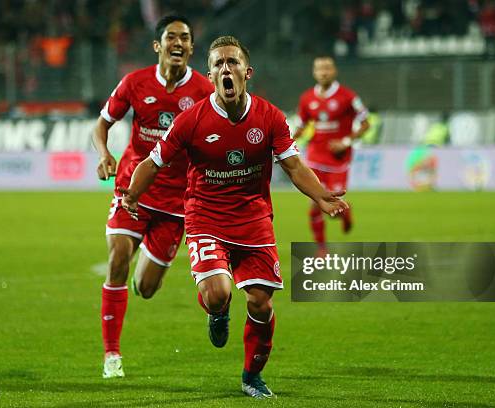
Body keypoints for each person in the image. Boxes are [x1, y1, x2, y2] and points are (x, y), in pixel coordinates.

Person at [118, 36, 348, 399]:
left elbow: (293, 165)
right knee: (218, 294)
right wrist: (131, 195)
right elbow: (153, 162)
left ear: (247, 71)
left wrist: (321, 197)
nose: (226, 69)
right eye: (219, 64)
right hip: (205, 217)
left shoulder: (270, 117)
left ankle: (251, 376)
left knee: (261, 301)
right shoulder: (190, 119)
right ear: (210, 75)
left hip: (253, 218)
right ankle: (217, 311)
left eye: (233, 63)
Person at [91, 14, 214, 379]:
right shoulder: (135, 82)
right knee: (117, 258)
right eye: (171, 37)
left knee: (146, 288)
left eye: (185, 38)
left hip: (175, 202)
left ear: (192, 48)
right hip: (132, 187)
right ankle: (112, 355)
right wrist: (104, 154)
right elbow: (102, 124)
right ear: (158, 46)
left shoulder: (205, 92)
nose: (179, 42)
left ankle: (146, 273)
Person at [293, 56, 369, 254]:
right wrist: (287, 141)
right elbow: (301, 126)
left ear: (334, 71)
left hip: (338, 161)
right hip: (316, 158)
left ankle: (346, 213)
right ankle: (321, 249)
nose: (323, 72)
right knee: (315, 204)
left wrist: (345, 142)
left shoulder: (348, 96)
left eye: (327, 68)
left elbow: (365, 123)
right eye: (319, 69)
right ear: (314, 72)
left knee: (334, 208)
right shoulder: (307, 98)